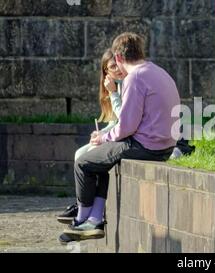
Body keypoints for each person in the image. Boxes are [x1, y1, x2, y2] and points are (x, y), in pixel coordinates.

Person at [60, 32, 181, 242]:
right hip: (165, 145)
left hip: (145, 146)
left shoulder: (135, 77)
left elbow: (126, 126)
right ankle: (93, 220)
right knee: (99, 161)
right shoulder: (157, 71)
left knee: (83, 162)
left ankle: (83, 220)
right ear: (140, 52)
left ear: (118, 58)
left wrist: (104, 138)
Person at [56, 48, 125, 225]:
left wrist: (113, 93)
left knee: (88, 158)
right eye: (112, 66)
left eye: (118, 64)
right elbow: (115, 121)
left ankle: (89, 210)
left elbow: (125, 119)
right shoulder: (114, 87)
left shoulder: (124, 85)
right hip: (116, 134)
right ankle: (83, 204)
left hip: (123, 138)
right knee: (79, 154)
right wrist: (101, 133)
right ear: (106, 72)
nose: (117, 68)